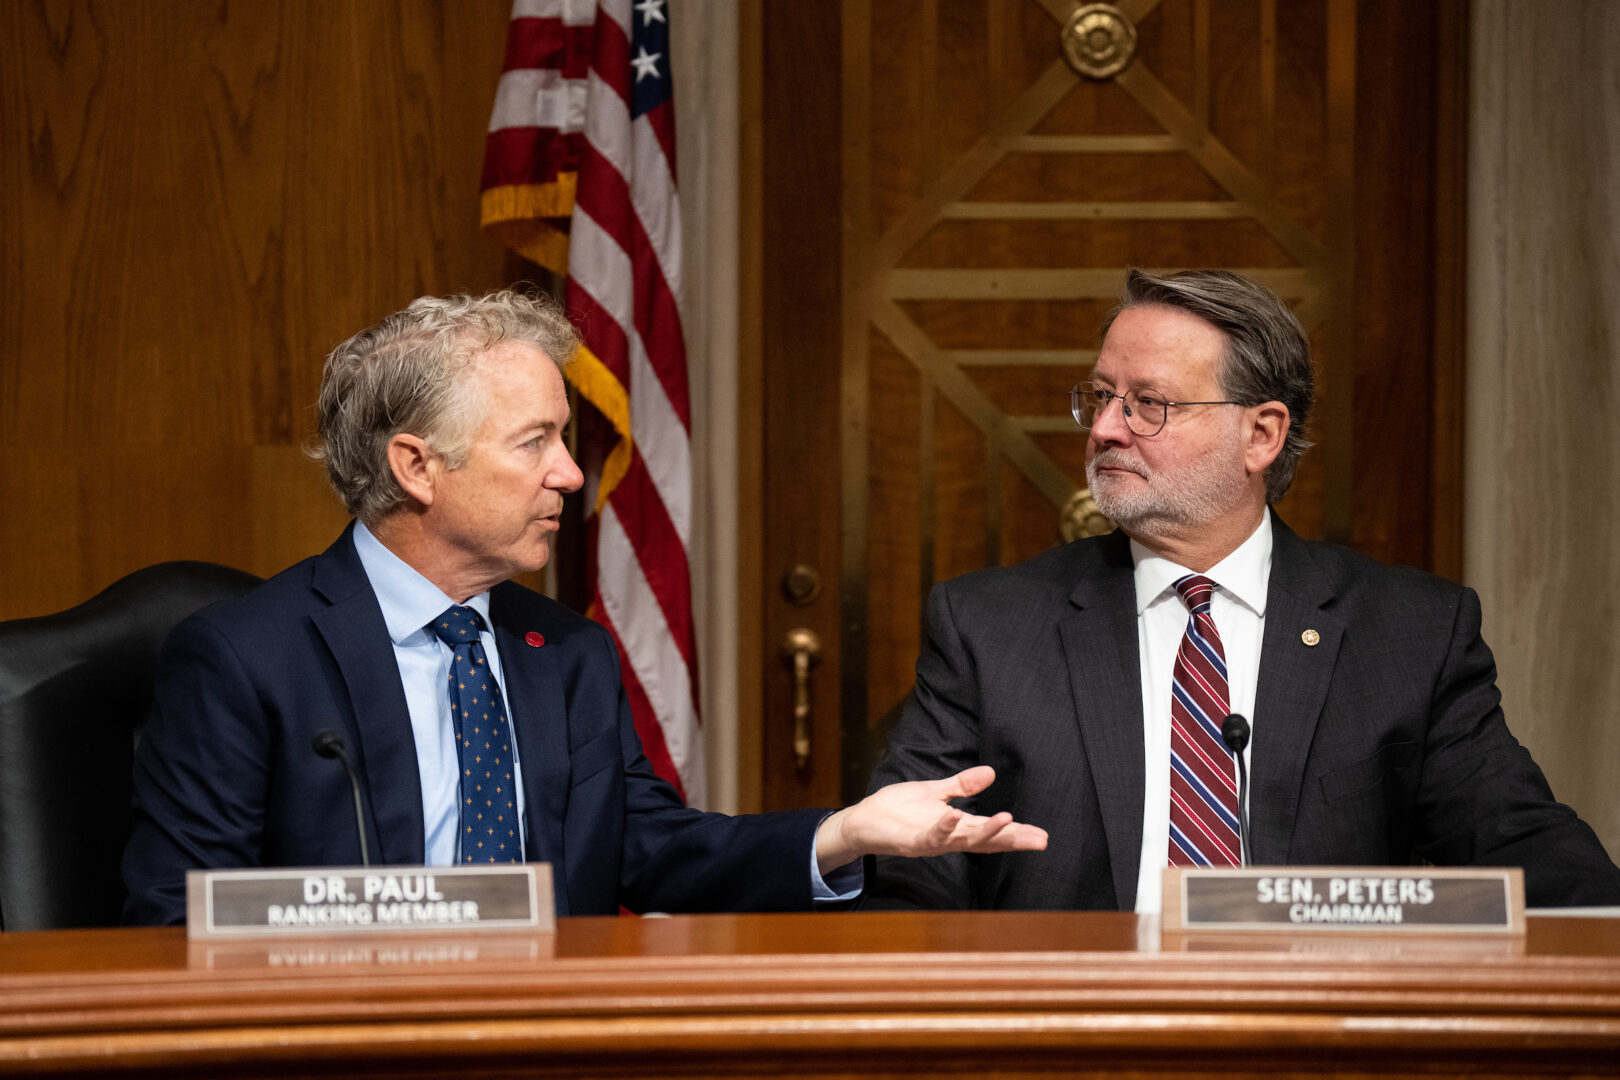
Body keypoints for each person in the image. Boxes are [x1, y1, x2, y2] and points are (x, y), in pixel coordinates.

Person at [123, 290, 1046, 926]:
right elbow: (180, 917)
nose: (570, 472)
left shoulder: (562, 652)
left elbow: (651, 851)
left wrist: (845, 833)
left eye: (564, 439)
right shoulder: (247, 657)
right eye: (536, 443)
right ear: (415, 466)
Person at [865, 268, 1620, 912]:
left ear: (1261, 434)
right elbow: (909, 864)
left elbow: (1523, 846)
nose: (1105, 429)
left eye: (1147, 404)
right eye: (1100, 396)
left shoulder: (1409, 633)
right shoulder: (988, 627)